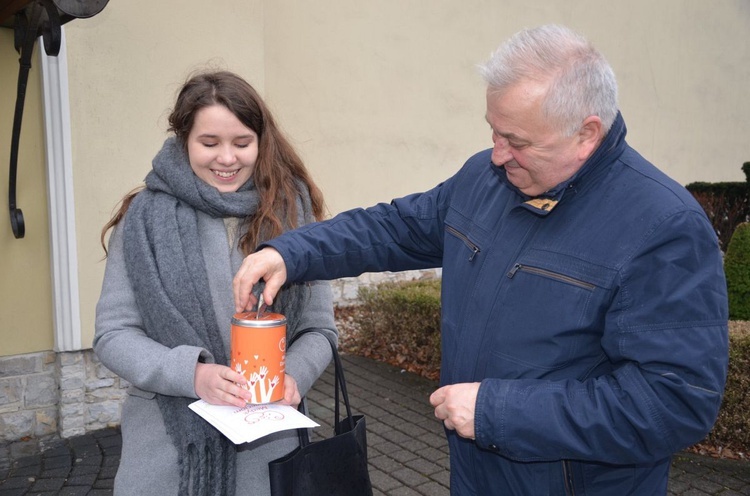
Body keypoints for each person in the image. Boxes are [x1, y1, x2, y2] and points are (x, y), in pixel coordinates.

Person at [232, 25, 729, 495]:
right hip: (475, 474)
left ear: (587, 134)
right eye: (494, 131)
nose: (497, 154)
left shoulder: (664, 228)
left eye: (517, 141)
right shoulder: (486, 180)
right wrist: (290, 252)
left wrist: (497, 413)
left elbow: (672, 401)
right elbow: (396, 227)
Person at [94, 70, 337, 496]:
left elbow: (321, 330)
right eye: (209, 143)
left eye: (242, 143)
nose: (227, 158)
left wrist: (292, 374)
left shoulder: (293, 216)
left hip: (270, 453)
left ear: (262, 143)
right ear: (184, 139)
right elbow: (113, 335)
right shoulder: (143, 220)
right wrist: (193, 375)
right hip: (165, 456)